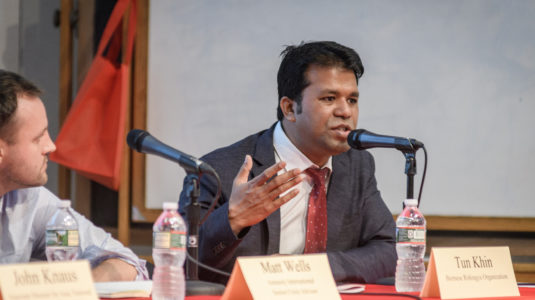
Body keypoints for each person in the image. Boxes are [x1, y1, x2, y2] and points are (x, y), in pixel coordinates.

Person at [179, 41, 396, 284]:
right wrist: (233, 221)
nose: (345, 111)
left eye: (352, 100)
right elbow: (182, 262)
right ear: (290, 108)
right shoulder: (217, 170)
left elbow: (388, 250)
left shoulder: (357, 164)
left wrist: (311, 269)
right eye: (329, 98)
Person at [0, 69, 148, 281]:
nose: (51, 146)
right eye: (37, 138)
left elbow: (125, 262)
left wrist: (73, 287)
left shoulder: (29, 198)